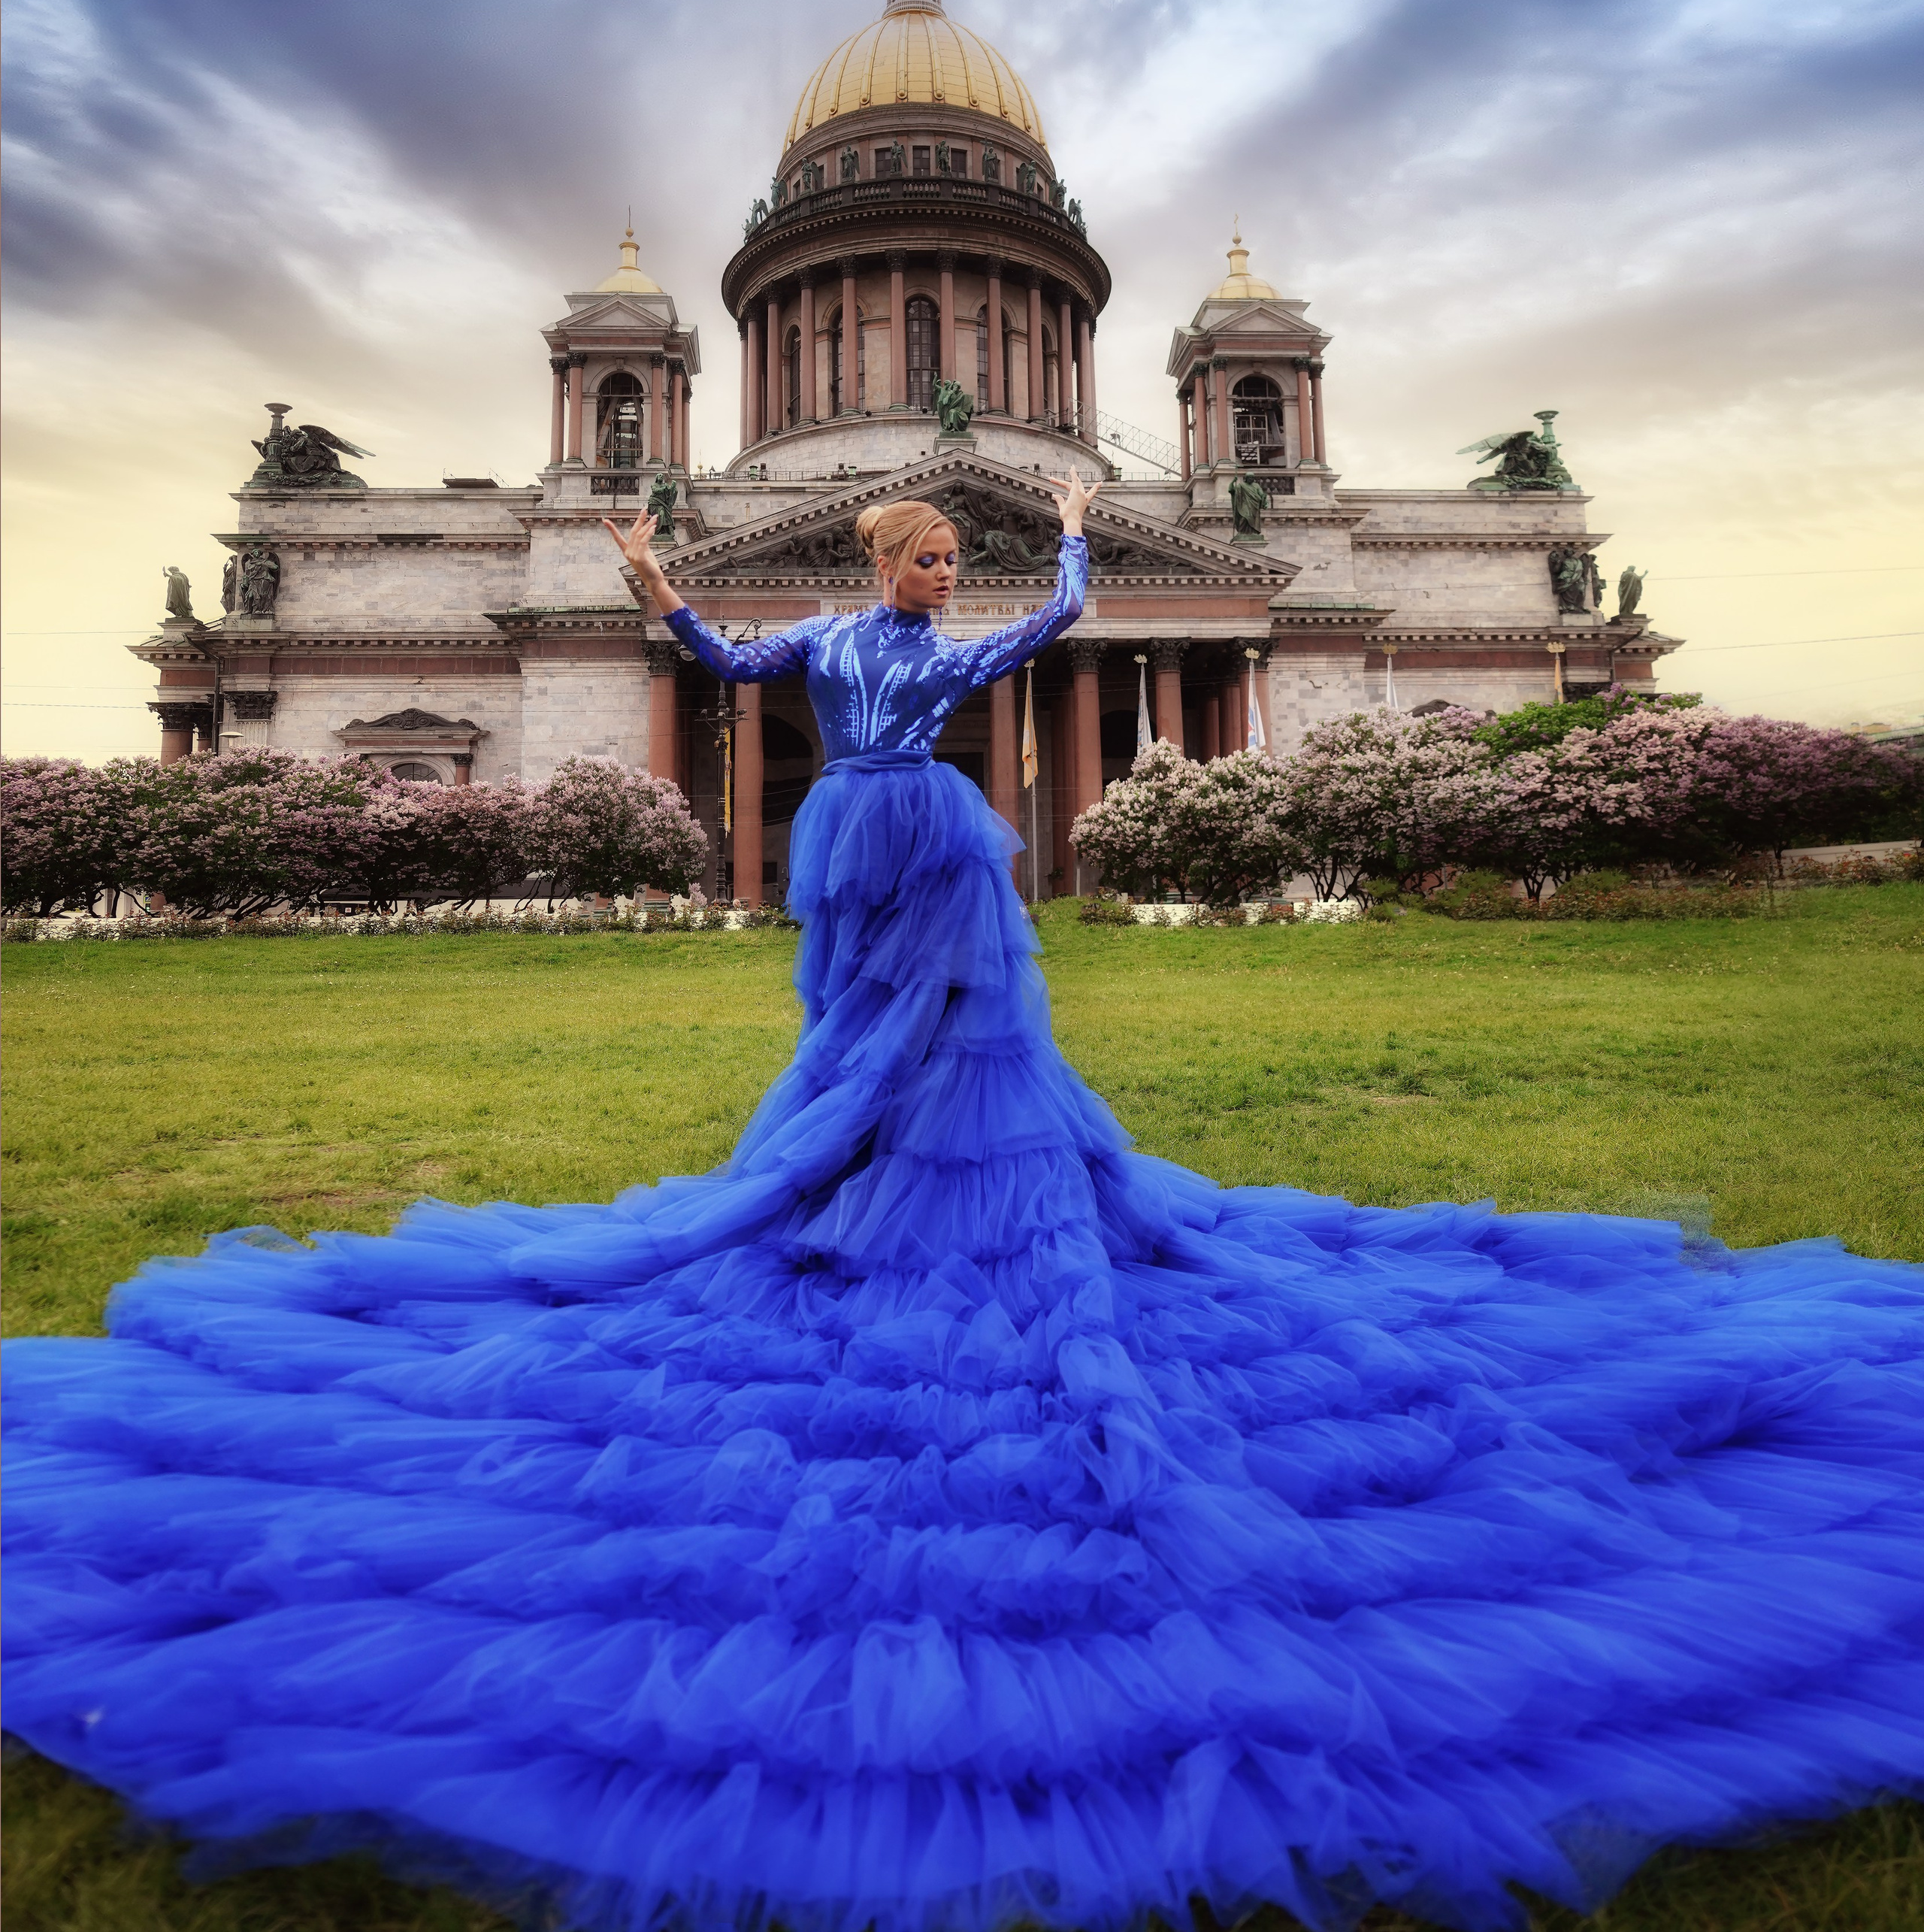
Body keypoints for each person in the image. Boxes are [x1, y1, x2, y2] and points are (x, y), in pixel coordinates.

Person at [4, 490, 1920, 1932]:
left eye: (950, 560)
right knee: (874, 1026)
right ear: (885, 555)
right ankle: (865, 1172)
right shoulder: (847, 635)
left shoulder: (898, 640)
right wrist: (652, 574)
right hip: (886, 824)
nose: (944, 576)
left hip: (890, 822)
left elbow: (974, 629)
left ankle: (897, 1168)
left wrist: (1057, 529)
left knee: (943, 1029)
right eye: (927, 556)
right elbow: (731, 653)